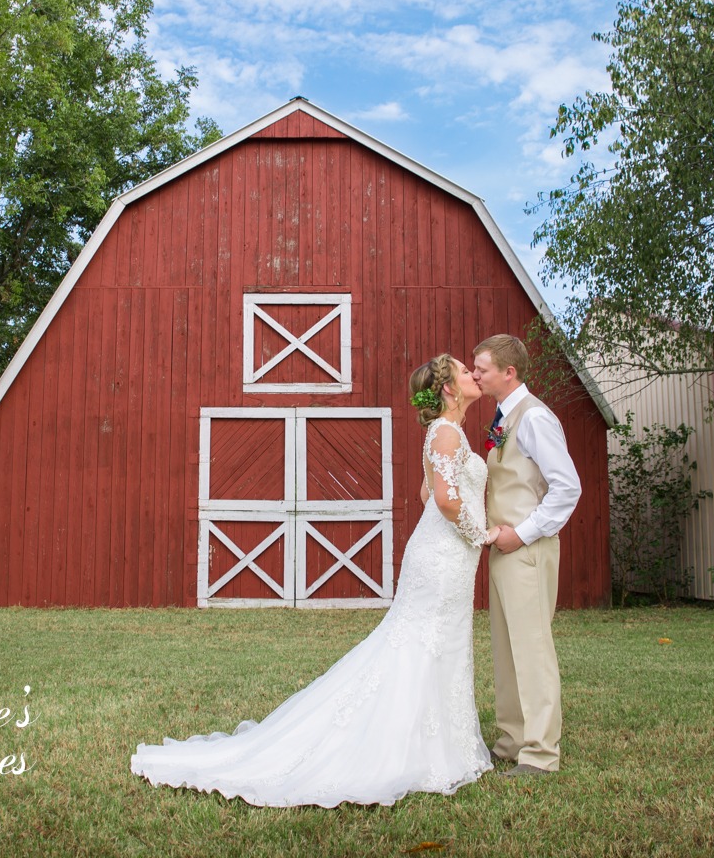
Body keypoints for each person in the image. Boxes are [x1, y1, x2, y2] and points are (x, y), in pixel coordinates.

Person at [131, 354, 495, 807]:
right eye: (464, 371)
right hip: (442, 557)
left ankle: (439, 740)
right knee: (424, 642)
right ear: (448, 389)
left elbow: (425, 492)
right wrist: (485, 533)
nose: (472, 376)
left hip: (445, 555)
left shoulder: (446, 434)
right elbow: (441, 499)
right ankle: (416, 747)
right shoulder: (444, 432)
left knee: (436, 643)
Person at [472, 334, 581, 776]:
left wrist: (522, 533)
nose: (475, 374)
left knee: (532, 649)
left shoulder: (535, 418)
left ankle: (540, 752)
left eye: (481, 368)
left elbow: (567, 487)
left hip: (527, 549)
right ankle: (512, 738)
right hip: (503, 550)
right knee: (506, 647)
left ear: (508, 372)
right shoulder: (504, 416)